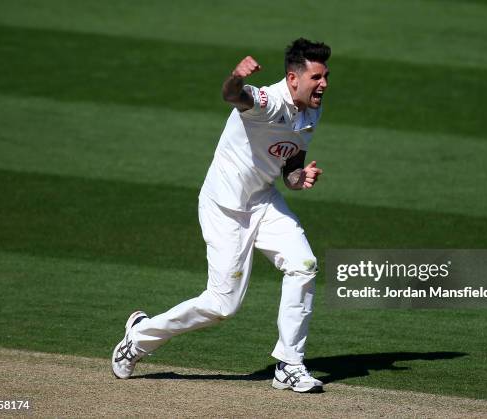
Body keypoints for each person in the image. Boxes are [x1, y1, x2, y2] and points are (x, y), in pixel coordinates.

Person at [112, 38, 331, 393]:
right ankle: (138, 337)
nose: (323, 84)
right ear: (293, 78)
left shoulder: (311, 112)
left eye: (325, 76)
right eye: (316, 77)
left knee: (303, 264)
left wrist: (298, 178)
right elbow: (233, 95)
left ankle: (289, 364)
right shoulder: (268, 100)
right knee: (222, 306)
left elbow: (290, 165)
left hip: (263, 201)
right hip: (224, 208)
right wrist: (235, 77)